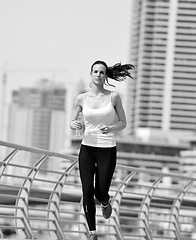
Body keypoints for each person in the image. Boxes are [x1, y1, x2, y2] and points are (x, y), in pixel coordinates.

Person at [70, 60, 134, 240]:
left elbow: (123, 122)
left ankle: (105, 201)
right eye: (95, 72)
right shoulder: (81, 98)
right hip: (87, 148)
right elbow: (72, 121)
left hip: (107, 148)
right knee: (87, 190)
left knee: (100, 191)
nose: (98, 75)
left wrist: (111, 128)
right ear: (91, 74)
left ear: (106, 76)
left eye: (102, 72)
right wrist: (73, 123)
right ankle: (92, 232)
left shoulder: (114, 97)